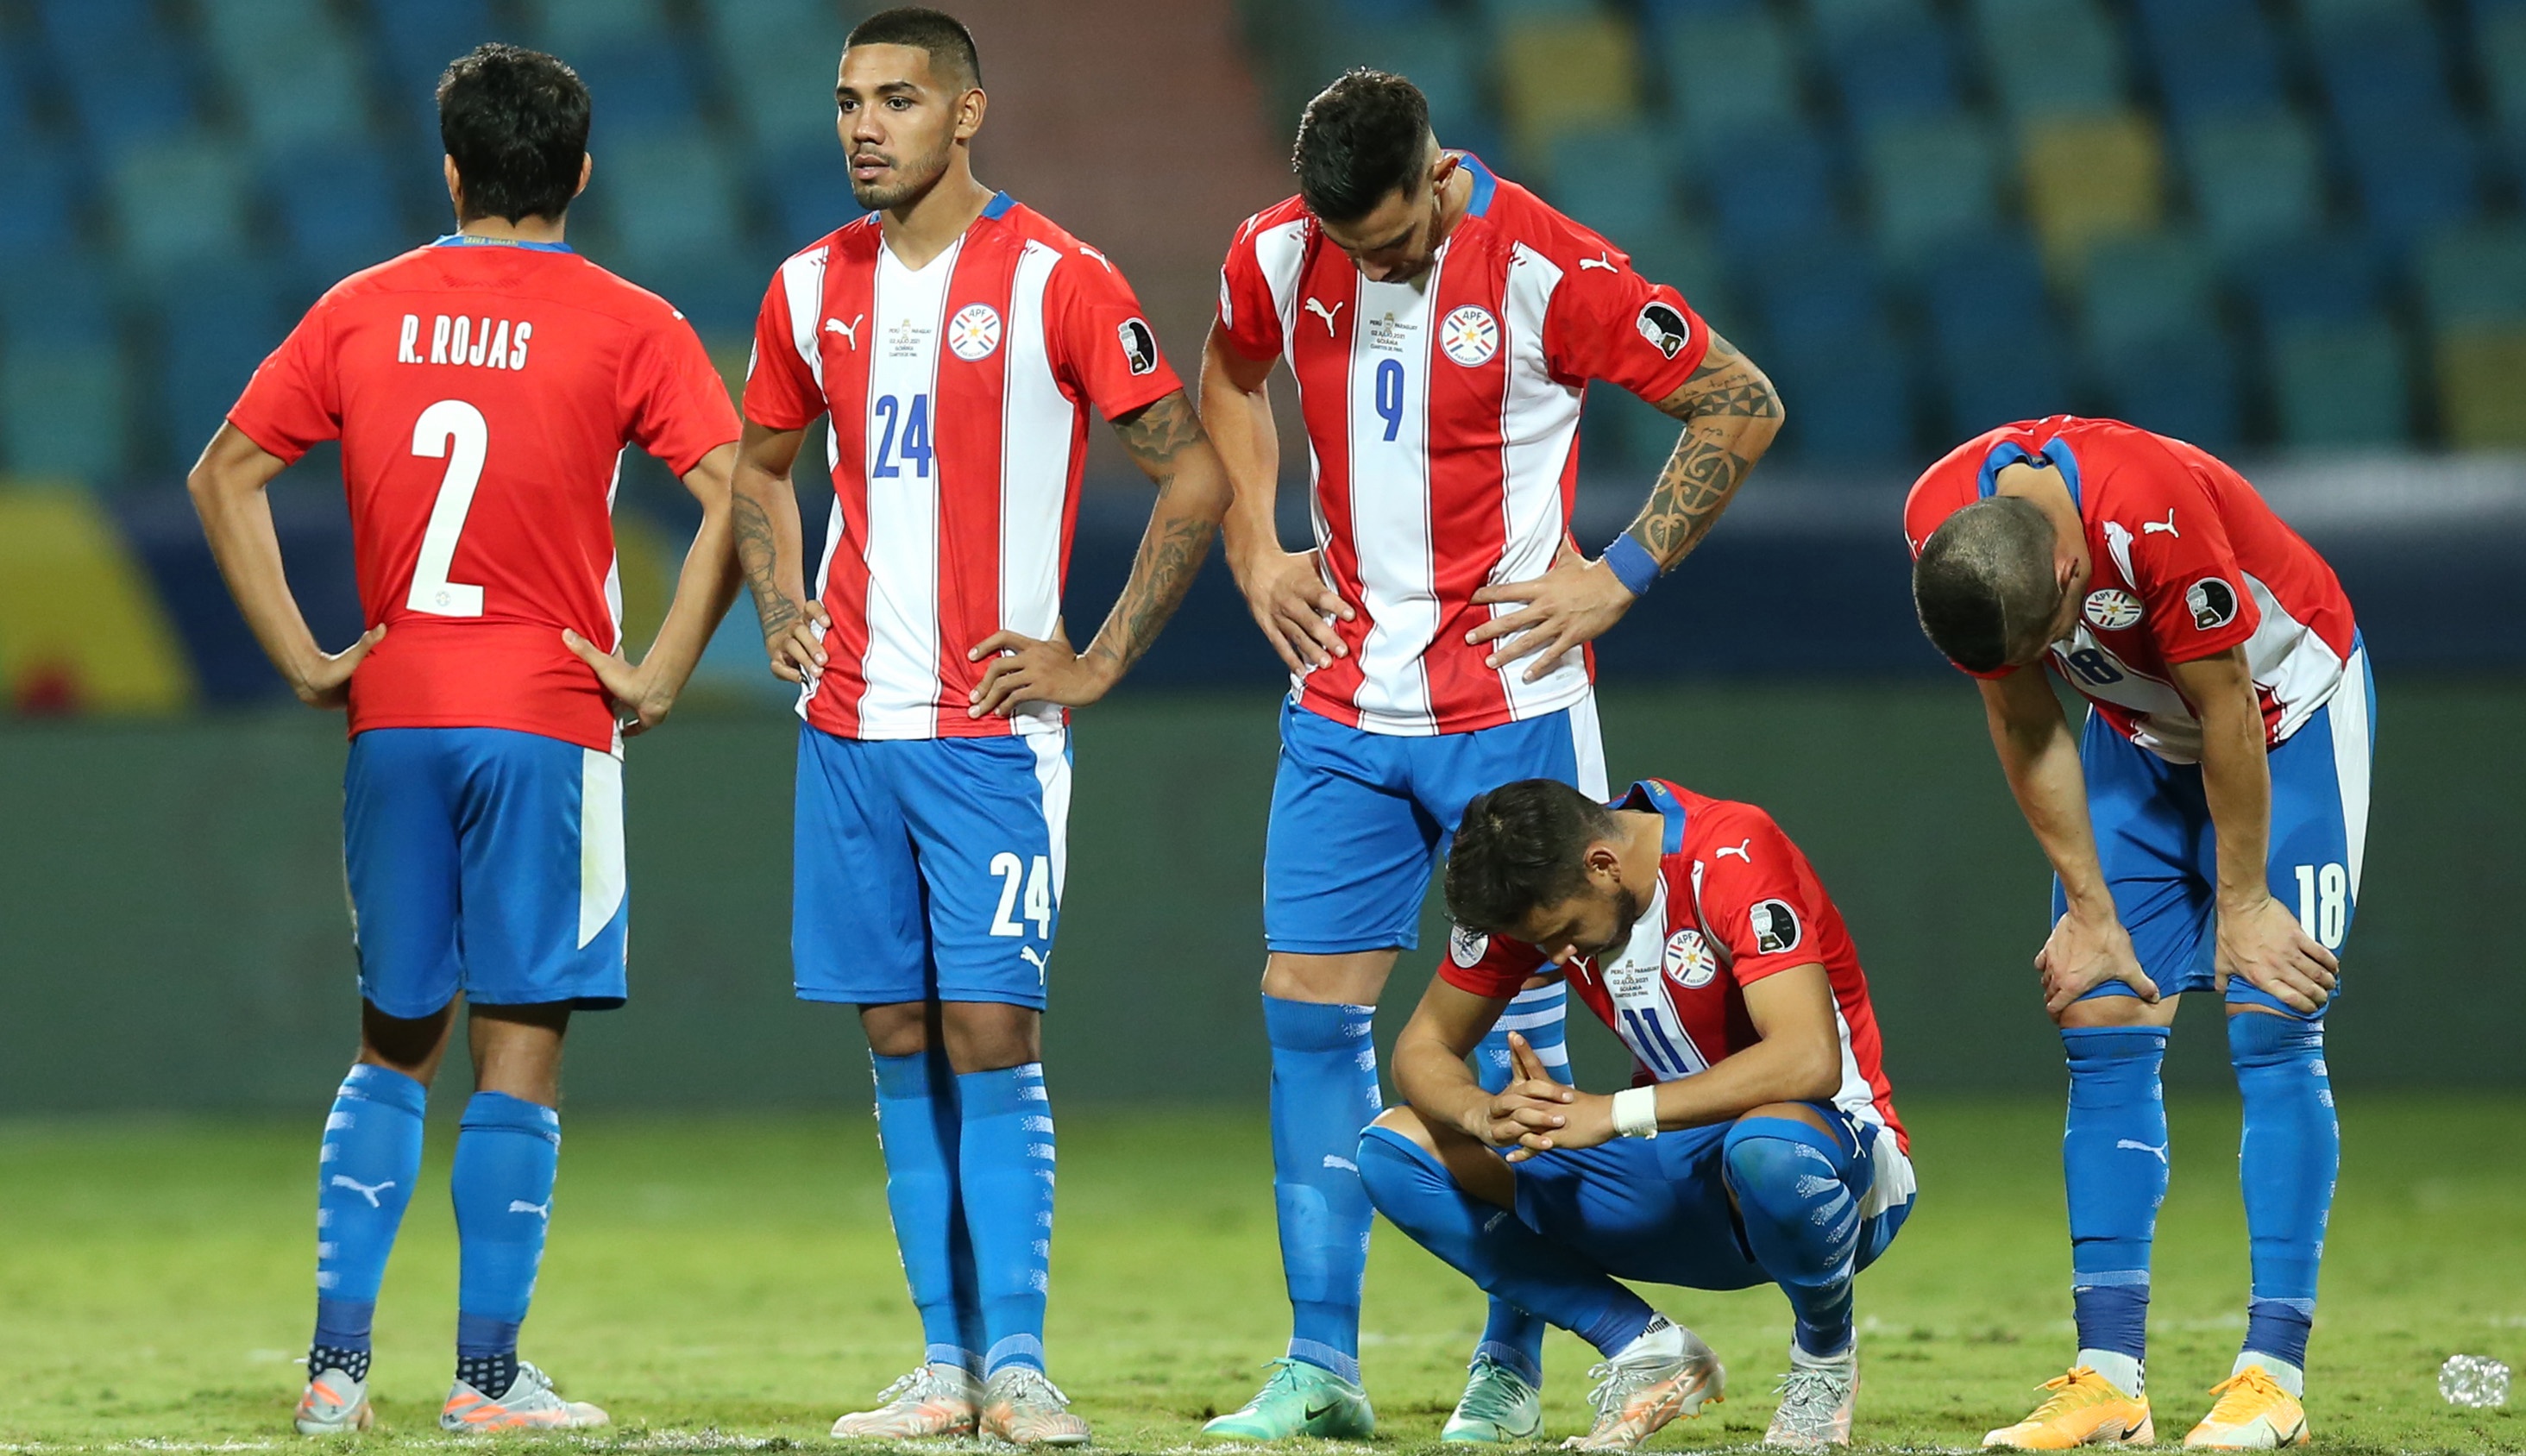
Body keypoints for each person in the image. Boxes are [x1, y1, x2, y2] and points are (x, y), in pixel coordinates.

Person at [1195, 68, 1785, 1441]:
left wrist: (1621, 574)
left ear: (1441, 170)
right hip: (1342, 696)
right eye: (1351, 244)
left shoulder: (1551, 267)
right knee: (1305, 1013)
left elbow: (1741, 400)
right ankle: (1320, 1369)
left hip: (1509, 699)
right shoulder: (1276, 249)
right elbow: (1229, 374)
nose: (1372, 262)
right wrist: (1255, 547)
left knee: (1515, 1043)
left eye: (1395, 239)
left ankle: (1510, 1363)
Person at [188, 43, 746, 1435]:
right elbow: (746, 489)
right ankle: (488, 1380)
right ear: (583, 172)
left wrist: (311, 658)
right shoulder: (632, 323)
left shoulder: (363, 309)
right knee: (522, 1048)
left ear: (450, 168)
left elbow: (224, 475)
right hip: (548, 719)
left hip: (399, 710)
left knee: (391, 1044)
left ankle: (333, 1372)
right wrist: (665, 663)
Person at [726, 9, 1233, 1447]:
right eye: (845, 101)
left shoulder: (1061, 281)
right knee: (896, 1029)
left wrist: (1098, 656)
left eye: (894, 99)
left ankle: (1020, 1359)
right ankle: (943, 1365)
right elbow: (761, 470)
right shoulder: (805, 287)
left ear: (968, 115)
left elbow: (1191, 477)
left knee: (990, 1028)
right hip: (846, 729)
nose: (862, 127)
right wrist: (775, 603)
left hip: (988, 734)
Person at [1903, 417, 2370, 1450]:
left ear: (2070, 570)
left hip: (2283, 714)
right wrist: (2087, 906)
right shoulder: (1943, 518)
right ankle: (2110, 1377)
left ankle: (2270, 1374)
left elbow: (2231, 707)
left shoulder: (2153, 514)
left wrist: (2243, 904)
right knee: (2098, 1000)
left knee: (2273, 1007)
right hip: (2137, 730)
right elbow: (2026, 720)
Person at [1361, 777, 1916, 1452]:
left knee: (1765, 1146)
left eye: (1565, 933)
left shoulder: (1730, 852)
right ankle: (1647, 1352)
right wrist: (1485, 1115)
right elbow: (1422, 1049)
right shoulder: (1541, 888)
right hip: (1680, 1176)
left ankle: (1825, 1363)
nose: (1560, 957)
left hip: (1831, 1171)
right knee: (1394, 1152)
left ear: (1603, 864)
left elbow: (1807, 1061)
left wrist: (1615, 1114)